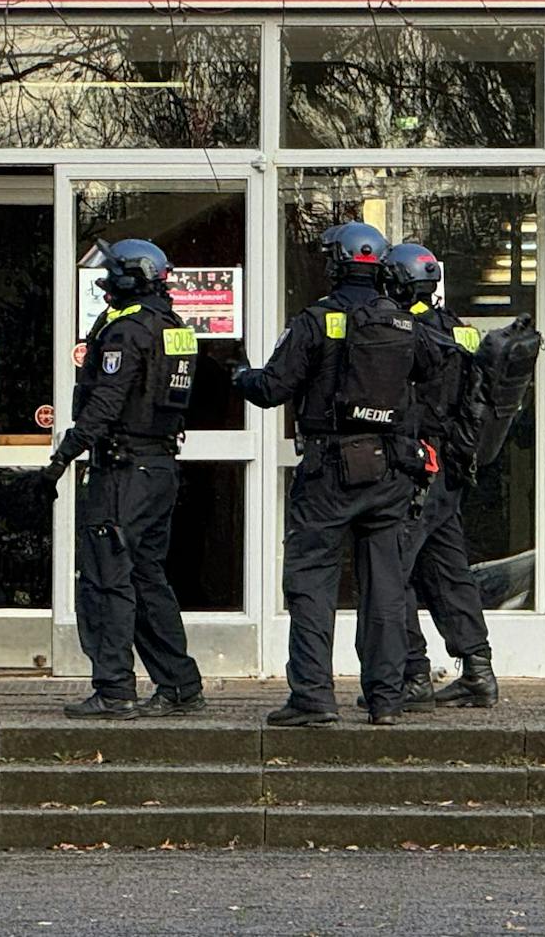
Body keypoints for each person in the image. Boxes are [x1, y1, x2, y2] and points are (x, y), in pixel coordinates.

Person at [233, 222, 455, 727]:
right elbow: (436, 370)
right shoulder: (404, 322)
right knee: (386, 588)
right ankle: (387, 698)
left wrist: (238, 375)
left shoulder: (318, 320)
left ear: (336, 263)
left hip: (329, 471)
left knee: (312, 582)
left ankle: (312, 697)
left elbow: (271, 389)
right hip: (391, 472)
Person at [38, 238, 206, 722]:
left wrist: (60, 460)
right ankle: (179, 683)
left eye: (111, 275)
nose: (105, 284)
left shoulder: (127, 331)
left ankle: (114, 689)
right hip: (159, 468)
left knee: (106, 581)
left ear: (129, 279)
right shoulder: (175, 328)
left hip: (123, 471)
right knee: (147, 577)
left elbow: (106, 403)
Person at [378, 241, 498, 710]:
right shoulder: (461, 331)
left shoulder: (407, 333)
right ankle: (478, 669)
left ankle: (413, 673)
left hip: (416, 467)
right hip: (449, 471)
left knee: (391, 570)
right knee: (449, 572)